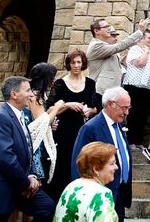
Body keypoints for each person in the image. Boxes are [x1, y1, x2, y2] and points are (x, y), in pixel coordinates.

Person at [0, 76, 55, 221]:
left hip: (18, 182)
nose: (31, 95)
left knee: (46, 206)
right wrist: (26, 184)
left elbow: (27, 149)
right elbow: (5, 158)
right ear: (14, 95)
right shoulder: (0, 118)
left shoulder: (18, 116)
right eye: (27, 90)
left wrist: (32, 175)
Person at [71, 87, 133, 221]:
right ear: (111, 104)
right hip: (97, 197)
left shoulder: (119, 125)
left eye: (128, 108)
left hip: (119, 193)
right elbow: (79, 163)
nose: (126, 112)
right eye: (124, 108)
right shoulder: (91, 128)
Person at [46, 50, 99, 202]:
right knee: (62, 164)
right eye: (73, 62)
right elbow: (49, 109)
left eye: (79, 62)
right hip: (63, 130)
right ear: (68, 64)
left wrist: (89, 111)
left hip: (81, 129)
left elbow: (96, 107)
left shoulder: (90, 83)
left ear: (83, 64)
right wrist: (67, 105)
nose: (76, 65)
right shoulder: (60, 84)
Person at [87, 17, 149, 107]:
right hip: (101, 93)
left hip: (110, 93)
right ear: (96, 31)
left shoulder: (106, 46)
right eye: (106, 26)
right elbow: (119, 46)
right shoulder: (96, 46)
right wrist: (139, 32)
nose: (109, 28)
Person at [53, 142, 119, 222]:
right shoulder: (101, 194)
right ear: (96, 169)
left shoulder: (71, 186)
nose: (116, 167)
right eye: (112, 163)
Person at [123, 29, 150, 148]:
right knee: (134, 113)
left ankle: (138, 141)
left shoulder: (149, 52)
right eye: (149, 38)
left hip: (147, 88)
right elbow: (140, 63)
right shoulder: (135, 50)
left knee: (143, 115)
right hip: (134, 86)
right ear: (141, 38)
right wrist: (146, 52)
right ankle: (131, 140)